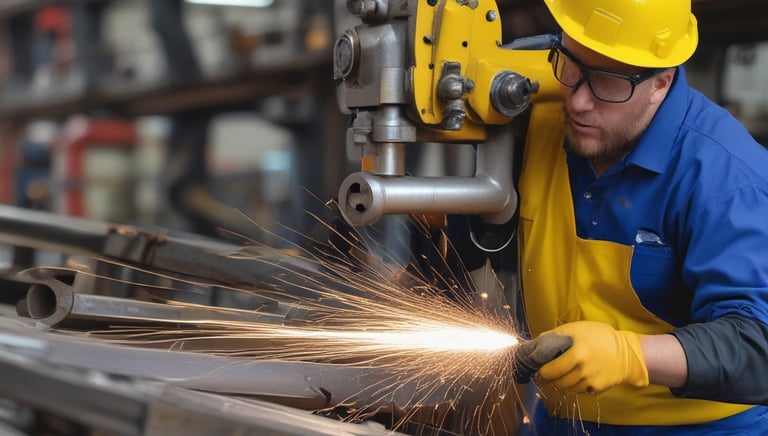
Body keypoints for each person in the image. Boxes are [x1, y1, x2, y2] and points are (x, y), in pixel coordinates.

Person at [512, 0, 768, 434]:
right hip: (563, 421)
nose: (578, 101)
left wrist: (630, 356)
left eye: (608, 83)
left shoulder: (727, 179)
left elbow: (758, 347)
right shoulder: (542, 118)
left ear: (660, 83)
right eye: (571, 65)